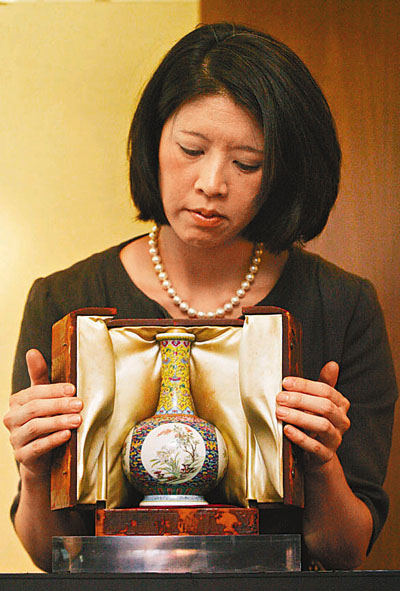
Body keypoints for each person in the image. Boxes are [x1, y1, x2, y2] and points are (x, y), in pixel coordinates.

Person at [3, 23, 397, 573]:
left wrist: (321, 462)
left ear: (284, 173)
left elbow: (347, 551)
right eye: (191, 149)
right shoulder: (65, 300)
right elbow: (53, 558)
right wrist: (34, 469)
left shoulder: (342, 305)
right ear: (154, 139)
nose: (212, 183)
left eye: (247, 163)